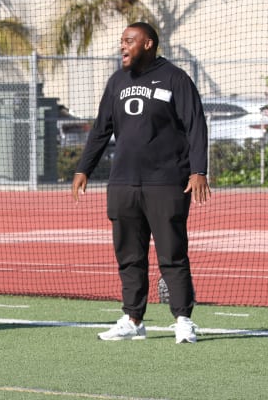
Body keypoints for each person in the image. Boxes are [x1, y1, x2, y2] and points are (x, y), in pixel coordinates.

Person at [71, 22, 211, 344]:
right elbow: (100, 130)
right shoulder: (117, 81)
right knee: (129, 255)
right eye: (121, 42)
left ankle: (183, 320)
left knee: (172, 254)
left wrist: (198, 171)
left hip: (166, 183)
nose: (123, 47)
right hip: (123, 184)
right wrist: (84, 169)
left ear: (148, 44)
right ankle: (133, 319)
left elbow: (195, 125)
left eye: (129, 41)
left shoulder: (175, 78)